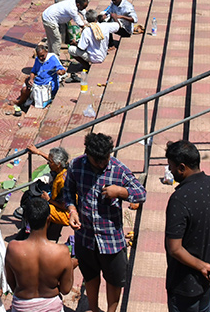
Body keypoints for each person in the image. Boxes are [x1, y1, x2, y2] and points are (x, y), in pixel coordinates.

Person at [63, 131, 147, 312]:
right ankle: (94, 309)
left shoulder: (118, 169)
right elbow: (67, 192)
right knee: (91, 277)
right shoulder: (76, 166)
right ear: (88, 155)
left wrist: (121, 192)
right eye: (98, 161)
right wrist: (72, 210)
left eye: (106, 159)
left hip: (111, 241)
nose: (103, 164)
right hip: (85, 237)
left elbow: (141, 194)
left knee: (114, 281)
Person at [163, 140, 210, 312]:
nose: (170, 170)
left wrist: (201, 266)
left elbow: (175, 249)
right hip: (209, 274)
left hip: (184, 282)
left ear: (182, 167)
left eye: (171, 166)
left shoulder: (179, 199)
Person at [4, 196, 74, 312]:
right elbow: (65, 289)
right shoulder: (62, 252)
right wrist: (70, 265)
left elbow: (11, 283)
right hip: (52, 306)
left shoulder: (13, 248)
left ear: (26, 219)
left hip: (22, 306)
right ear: (49, 219)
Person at [26, 145, 72, 241]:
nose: (48, 164)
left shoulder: (63, 182)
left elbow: (65, 206)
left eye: (50, 162)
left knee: (40, 209)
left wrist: (49, 200)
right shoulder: (62, 168)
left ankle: (39, 234)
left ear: (58, 164)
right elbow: (52, 160)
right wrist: (38, 152)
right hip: (57, 199)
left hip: (67, 214)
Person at [14, 44, 66, 112]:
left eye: (42, 56)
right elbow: (33, 72)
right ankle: (22, 103)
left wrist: (61, 72)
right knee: (25, 88)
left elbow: (62, 70)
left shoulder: (52, 59)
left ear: (46, 52)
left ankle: (19, 103)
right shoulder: (37, 60)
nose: (41, 58)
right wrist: (31, 79)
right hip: (38, 83)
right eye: (39, 56)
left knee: (25, 91)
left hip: (47, 86)